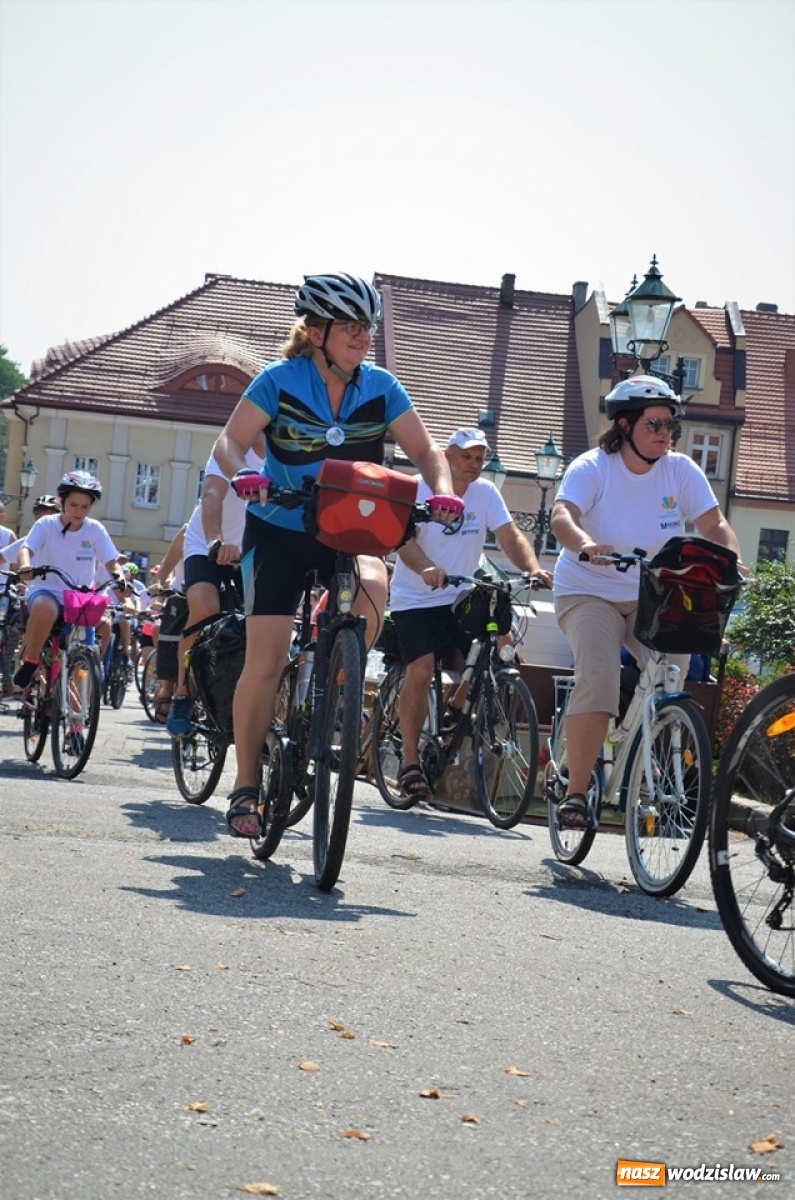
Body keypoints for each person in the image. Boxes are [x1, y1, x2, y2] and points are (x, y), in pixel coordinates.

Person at [213, 272, 462, 837]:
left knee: (373, 585)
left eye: (367, 326)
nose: (363, 336)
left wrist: (441, 489)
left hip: (348, 528)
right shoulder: (278, 380)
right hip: (278, 526)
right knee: (265, 659)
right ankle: (246, 786)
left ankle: (334, 672)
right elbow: (229, 441)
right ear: (317, 329)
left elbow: (424, 449)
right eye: (351, 326)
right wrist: (246, 474)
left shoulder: (381, 386)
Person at [549, 374, 747, 830]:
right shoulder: (593, 466)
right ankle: (576, 793)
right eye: (655, 424)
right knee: (599, 676)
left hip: (651, 592)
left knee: (671, 679)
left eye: (670, 426)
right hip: (588, 589)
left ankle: (642, 767)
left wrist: (730, 560)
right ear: (624, 425)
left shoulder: (680, 469)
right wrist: (585, 544)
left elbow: (714, 524)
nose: (665, 435)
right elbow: (563, 515)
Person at [388, 426, 554, 798]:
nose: (474, 464)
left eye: (480, 458)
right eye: (466, 456)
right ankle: (409, 762)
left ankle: (458, 702)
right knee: (421, 669)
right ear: (446, 456)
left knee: (497, 650)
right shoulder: (420, 488)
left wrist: (532, 568)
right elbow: (402, 540)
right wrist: (427, 567)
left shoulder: (485, 493)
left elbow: (510, 535)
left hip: (463, 593)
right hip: (417, 596)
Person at [165, 436, 264, 737]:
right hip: (205, 541)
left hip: (253, 548)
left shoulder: (288, 450)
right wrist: (215, 541)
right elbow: (212, 496)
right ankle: (182, 692)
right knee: (206, 607)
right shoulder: (232, 447)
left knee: (261, 624)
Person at [12, 471, 129, 690]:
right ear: (62, 501)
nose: (79, 511)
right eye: (74, 505)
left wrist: (120, 579)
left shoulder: (95, 529)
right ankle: (31, 660)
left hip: (80, 598)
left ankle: (78, 718)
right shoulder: (47, 524)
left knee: (84, 657)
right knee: (44, 608)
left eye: (85, 507)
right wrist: (26, 567)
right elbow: (26, 549)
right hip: (48, 591)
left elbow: (111, 562)